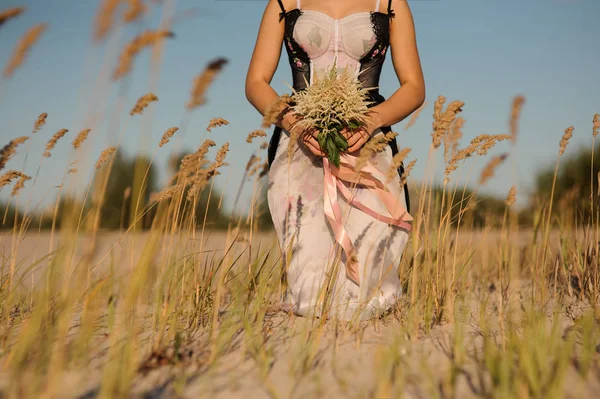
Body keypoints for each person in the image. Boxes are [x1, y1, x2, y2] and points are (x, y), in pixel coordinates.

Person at [245, 0, 425, 321]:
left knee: (371, 285)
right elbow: (256, 81)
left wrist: (371, 121)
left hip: (367, 149)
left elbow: (414, 87)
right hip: (301, 147)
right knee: (312, 288)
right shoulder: (285, 2)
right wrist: (294, 124)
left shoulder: (391, 3)